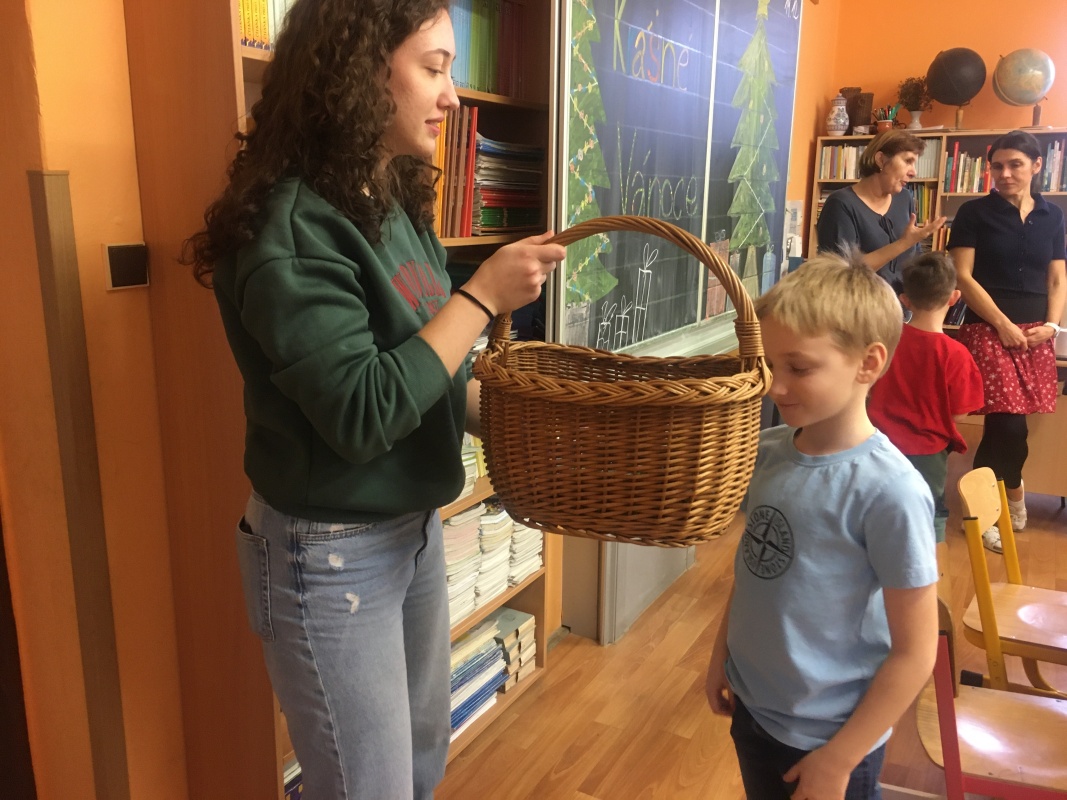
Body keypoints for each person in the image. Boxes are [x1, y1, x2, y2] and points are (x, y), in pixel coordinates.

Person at [182, 2, 565, 797]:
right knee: (369, 786)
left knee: (420, 759)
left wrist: (539, 435)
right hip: (328, 551)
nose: (450, 94)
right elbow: (363, 414)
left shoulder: (388, 200)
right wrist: (481, 297)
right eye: (433, 67)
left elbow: (431, 374)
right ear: (358, 70)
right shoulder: (291, 229)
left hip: (409, 530)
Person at [705, 252, 939, 800]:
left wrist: (839, 759)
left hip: (831, 738)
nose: (775, 386)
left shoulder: (890, 491)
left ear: (868, 363)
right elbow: (756, 570)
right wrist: (721, 657)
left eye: (799, 368)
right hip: (754, 709)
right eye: (770, 366)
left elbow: (915, 652)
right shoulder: (767, 453)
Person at [949, 129, 1066, 553]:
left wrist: (1052, 326)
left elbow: (1057, 277)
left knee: (1016, 430)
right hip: (987, 329)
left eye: (1015, 164)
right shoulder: (973, 213)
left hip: (1036, 333)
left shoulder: (1053, 216)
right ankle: (986, 514)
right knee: (1007, 423)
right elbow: (963, 276)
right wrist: (1001, 324)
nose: (1004, 173)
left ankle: (1010, 494)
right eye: (997, 166)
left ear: (1037, 165)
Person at [867, 252, 985, 543]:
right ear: (954, 297)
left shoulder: (885, 342)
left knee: (875, 505)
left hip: (877, 444)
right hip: (928, 453)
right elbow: (960, 413)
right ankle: (926, 566)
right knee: (929, 512)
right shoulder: (957, 355)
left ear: (904, 300)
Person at [817, 129, 946, 294]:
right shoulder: (841, 204)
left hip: (902, 305)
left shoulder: (904, 198)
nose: (913, 172)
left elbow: (914, 255)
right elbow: (842, 273)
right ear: (881, 159)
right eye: (908, 161)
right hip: (859, 306)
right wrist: (903, 243)